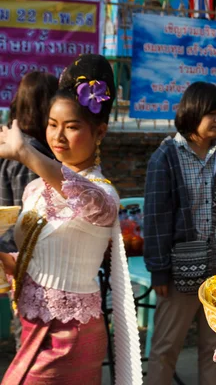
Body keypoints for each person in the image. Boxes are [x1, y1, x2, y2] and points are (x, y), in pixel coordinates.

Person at [0, 55, 142, 385]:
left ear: (100, 132)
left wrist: (27, 155)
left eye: (72, 126)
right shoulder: (35, 188)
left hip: (70, 335)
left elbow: (88, 202)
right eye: (52, 124)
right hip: (32, 326)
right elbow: (29, 261)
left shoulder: (103, 193)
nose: (58, 136)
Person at [143, 81, 216, 385]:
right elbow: (155, 218)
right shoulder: (165, 158)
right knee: (166, 346)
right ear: (192, 113)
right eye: (211, 113)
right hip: (180, 272)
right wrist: (159, 272)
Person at [0, 71, 58, 351]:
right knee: (33, 343)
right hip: (27, 261)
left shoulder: (15, 146)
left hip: (16, 256)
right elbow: (31, 221)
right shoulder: (28, 155)